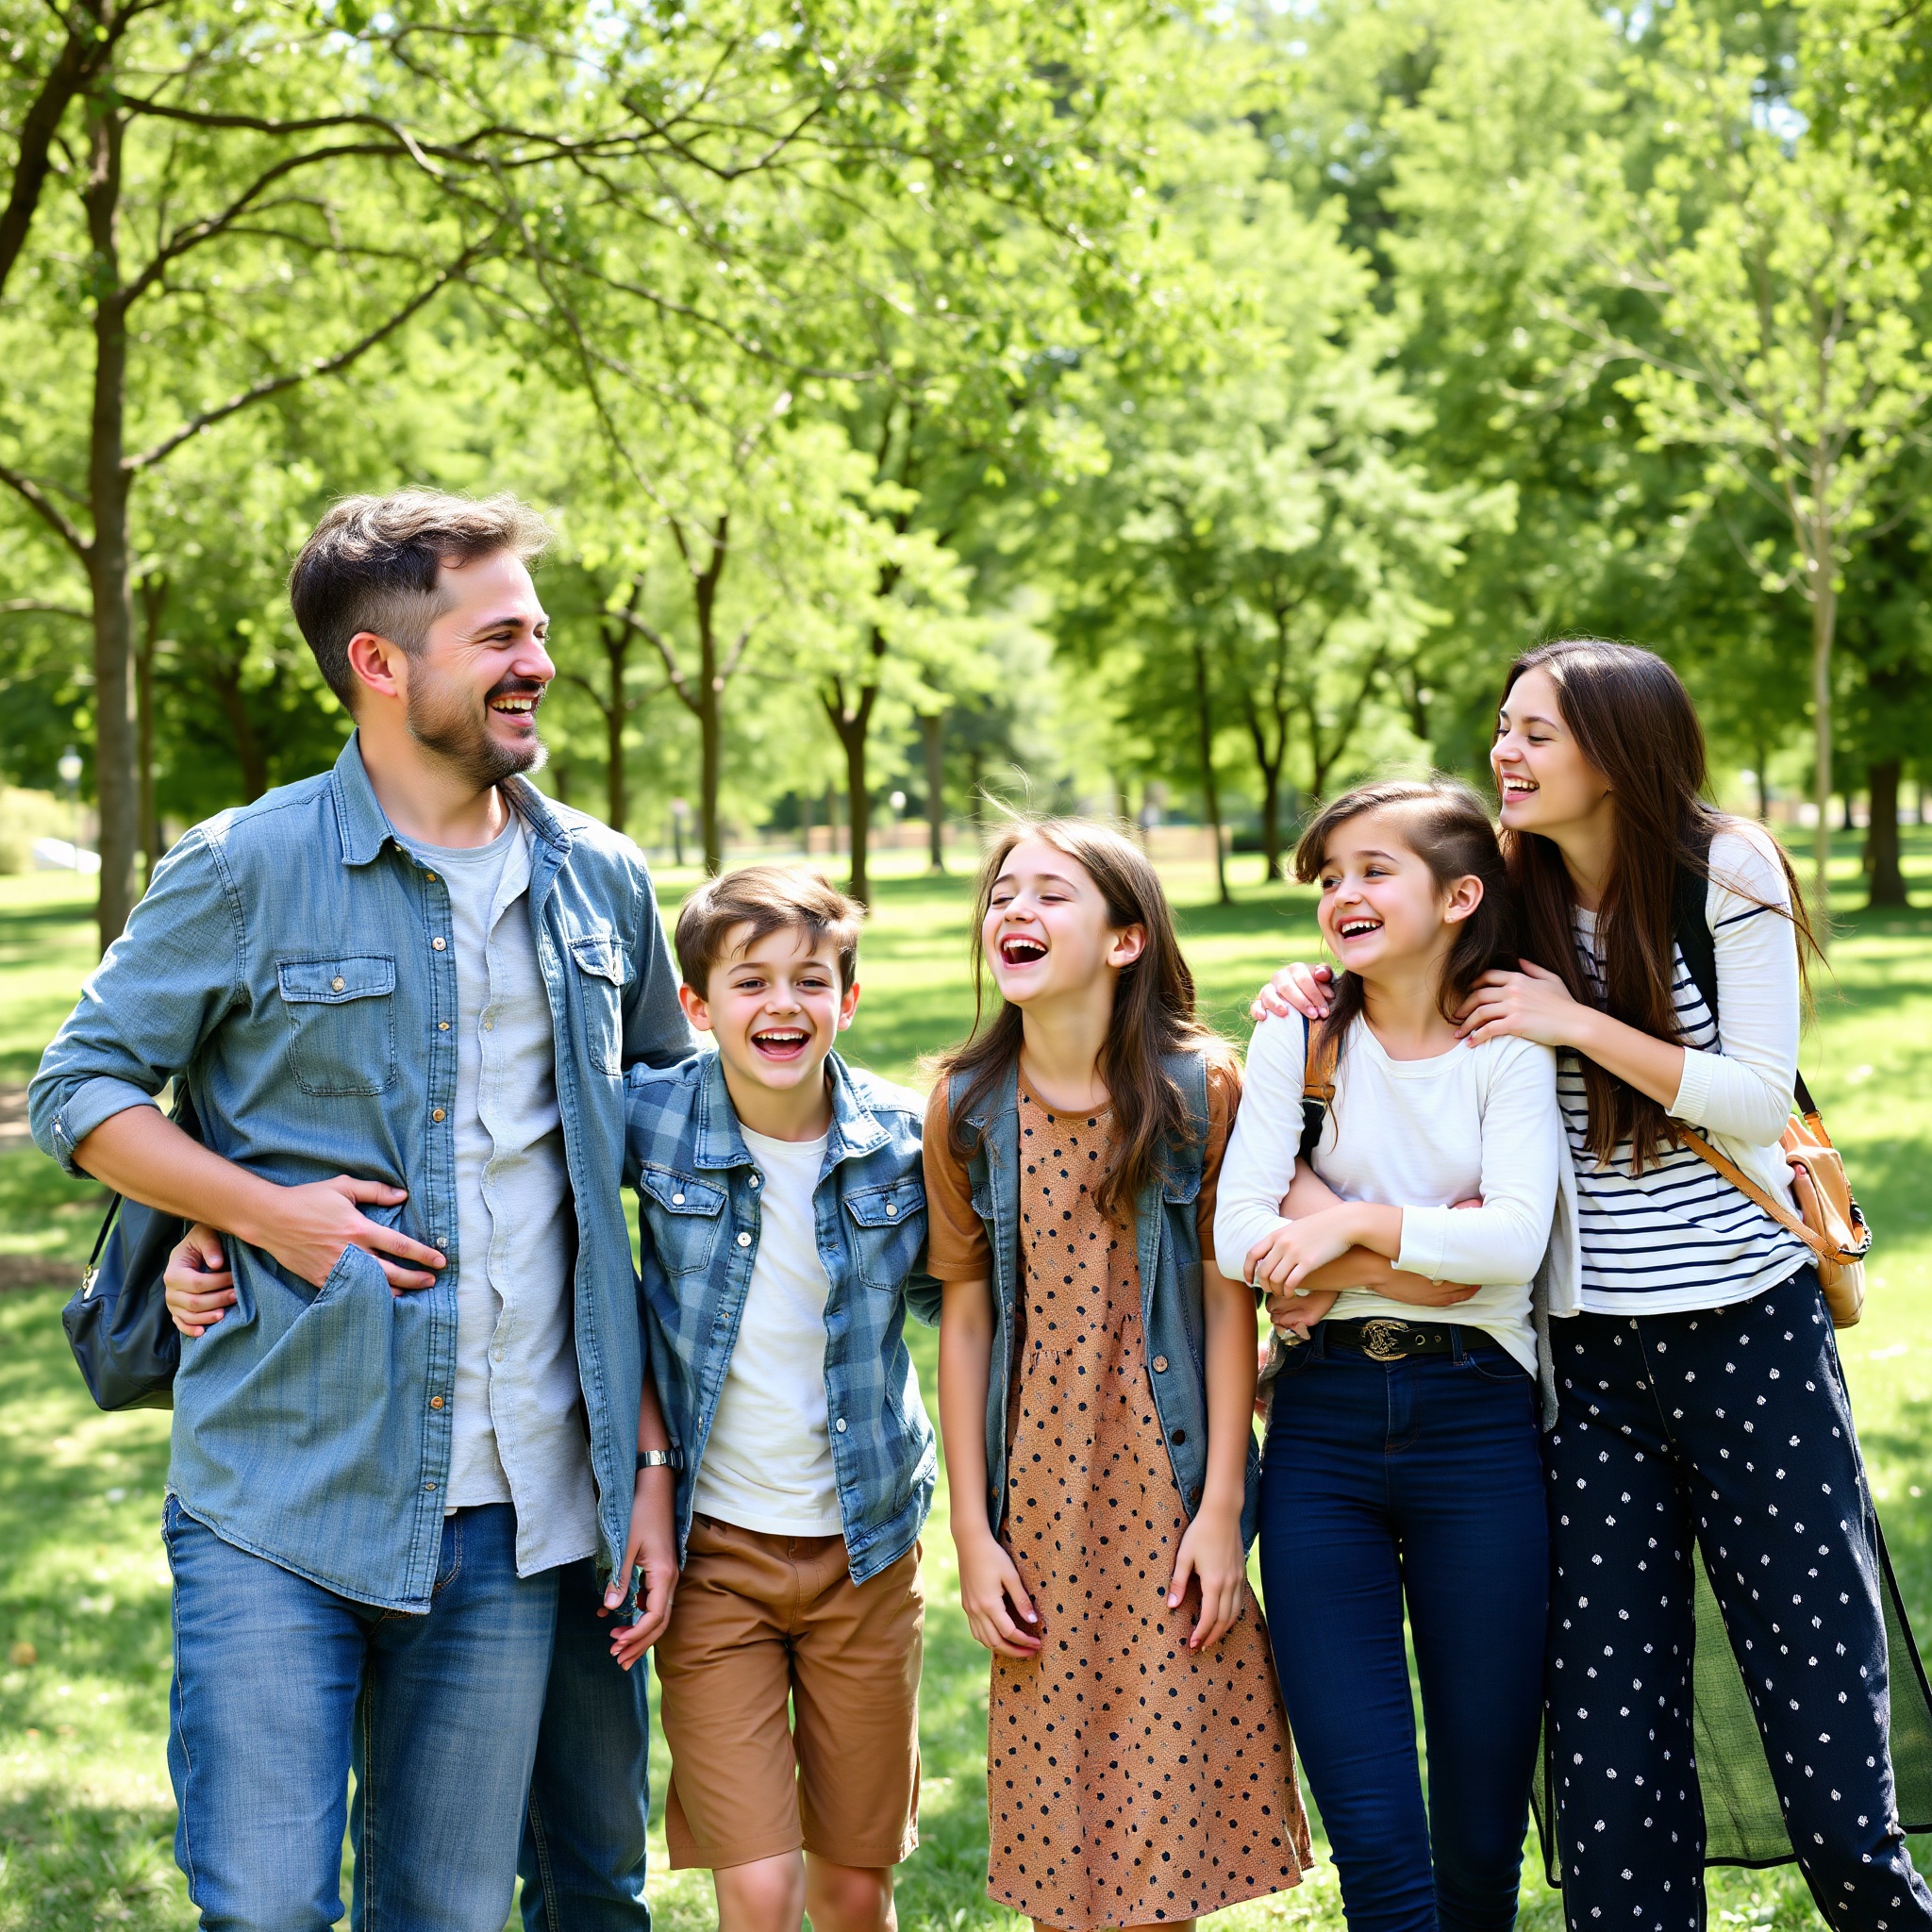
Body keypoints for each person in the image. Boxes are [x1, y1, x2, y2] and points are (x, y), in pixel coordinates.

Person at [31, 490, 689, 1932]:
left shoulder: (602, 879)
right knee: (264, 1909)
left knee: (443, 1918)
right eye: (501, 634)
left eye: (541, 630)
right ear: (380, 667)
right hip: (281, 1486)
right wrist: (261, 1212)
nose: (540, 662)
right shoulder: (244, 867)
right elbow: (77, 1092)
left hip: (519, 1507)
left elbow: (682, 1145)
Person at [1257, 639, 1932, 1932]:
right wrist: (1311, 993)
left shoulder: (1720, 869)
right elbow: (1398, 988)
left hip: (1749, 1340)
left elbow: (1749, 1096)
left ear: (1617, 753)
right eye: (1501, 729)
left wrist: (1575, 1021)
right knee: (1615, 1798)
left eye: (1534, 734)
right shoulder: (1505, 889)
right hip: (1588, 1370)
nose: (1503, 755)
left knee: (1836, 1789)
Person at [924, 816, 1310, 1932]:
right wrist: (972, 1531)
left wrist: (1220, 1506)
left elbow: (1225, 1301)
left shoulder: (1200, 1090)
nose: (1013, 911)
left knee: (1163, 1838)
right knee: (1061, 1835)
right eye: (1001, 893)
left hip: (1169, 1484)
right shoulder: (963, 1108)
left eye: (1049, 894)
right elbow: (964, 1317)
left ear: (1125, 939)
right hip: (1038, 1498)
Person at [1216, 777, 1563, 1932]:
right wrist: (1426, 1265)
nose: (1341, 894)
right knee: (1369, 1827)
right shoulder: (1294, 1032)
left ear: (1460, 895)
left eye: (1372, 870)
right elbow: (1234, 1232)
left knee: (1476, 1829)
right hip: (1318, 1435)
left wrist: (1342, 1229)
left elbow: (1513, 1244)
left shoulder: (1502, 1044)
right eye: (1327, 877)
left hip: (1478, 1429)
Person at [611, 865, 935, 1932]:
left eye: (810, 978)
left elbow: (982, 1302)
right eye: (748, 981)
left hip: (866, 1549)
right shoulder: (647, 1121)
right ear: (697, 1007)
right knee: (756, 1887)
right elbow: (496, 1177)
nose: (782, 1004)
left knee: (850, 1888)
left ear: (849, 998)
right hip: (714, 1559)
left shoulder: (907, 1136)